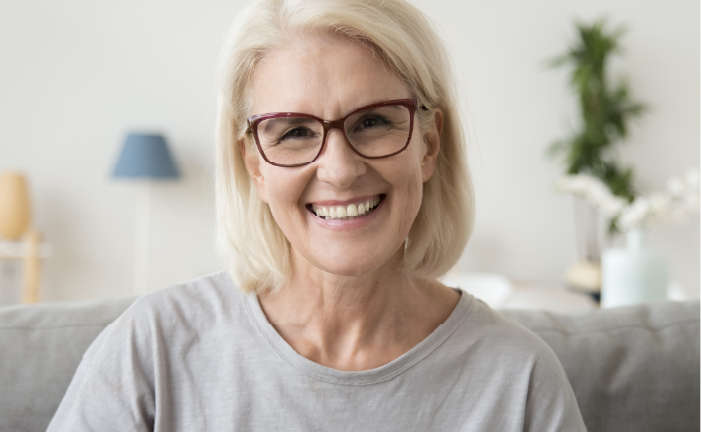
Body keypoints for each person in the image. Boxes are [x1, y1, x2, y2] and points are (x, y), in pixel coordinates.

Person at [48, 0, 587, 430]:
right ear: (254, 165)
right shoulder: (154, 347)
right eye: (295, 131)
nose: (340, 169)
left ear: (427, 144)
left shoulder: (519, 380)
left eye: (373, 121)